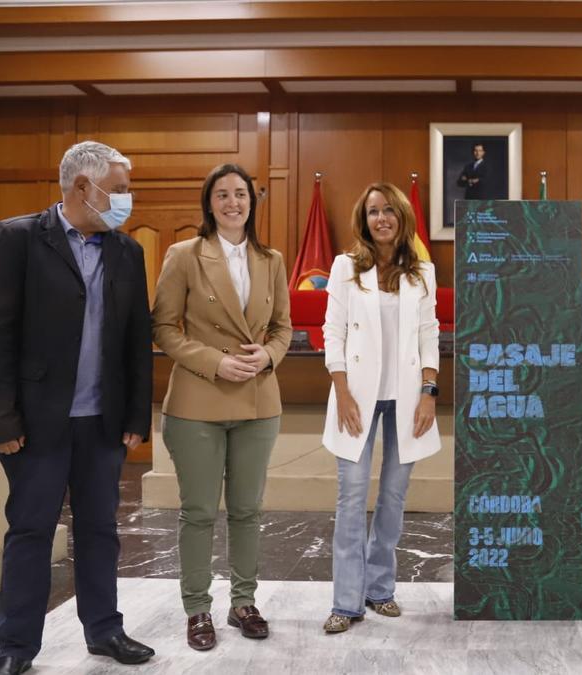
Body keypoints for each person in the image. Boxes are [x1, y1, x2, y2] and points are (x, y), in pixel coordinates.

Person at [0, 141, 154, 675]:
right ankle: (16, 649)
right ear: (84, 188)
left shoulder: (128, 252)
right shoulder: (19, 239)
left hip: (102, 422)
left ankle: (104, 631)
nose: (127, 200)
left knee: (101, 529)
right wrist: (1, 420)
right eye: (119, 190)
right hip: (36, 424)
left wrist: (136, 417)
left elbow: (135, 342)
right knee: (31, 532)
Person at [151, 163, 292, 651]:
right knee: (198, 512)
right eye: (223, 195)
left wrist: (269, 355)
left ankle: (244, 602)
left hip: (259, 402)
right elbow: (164, 328)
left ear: (253, 203)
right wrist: (215, 361)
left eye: (241, 195)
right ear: (209, 204)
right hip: (196, 403)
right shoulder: (184, 254)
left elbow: (283, 328)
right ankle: (197, 610)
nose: (233, 202)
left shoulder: (271, 258)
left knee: (248, 510)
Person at [320, 182, 440, 633]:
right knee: (351, 497)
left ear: (402, 216)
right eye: (373, 212)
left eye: (389, 210)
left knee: (392, 498)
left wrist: (430, 392)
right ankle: (345, 602)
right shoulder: (345, 267)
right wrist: (343, 390)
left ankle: (380, 590)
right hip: (356, 398)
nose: (381, 218)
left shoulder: (421, 271)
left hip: (408, 399)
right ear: (363, 219)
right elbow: (332, 333)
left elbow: (429, 334)